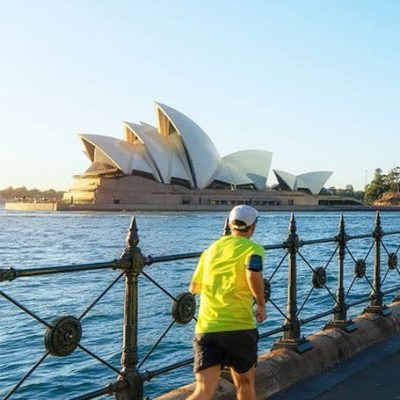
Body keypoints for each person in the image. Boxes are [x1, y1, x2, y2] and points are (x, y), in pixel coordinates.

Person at [187, 205, 267, 400]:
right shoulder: (253, 249)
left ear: (230, 224)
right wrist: (261, 303)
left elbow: (193, 287)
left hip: (207, 326)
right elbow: (252, 272)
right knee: (245, 385)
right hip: (239, 326)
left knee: (204, 390)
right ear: (253, 227)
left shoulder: (211, 249)